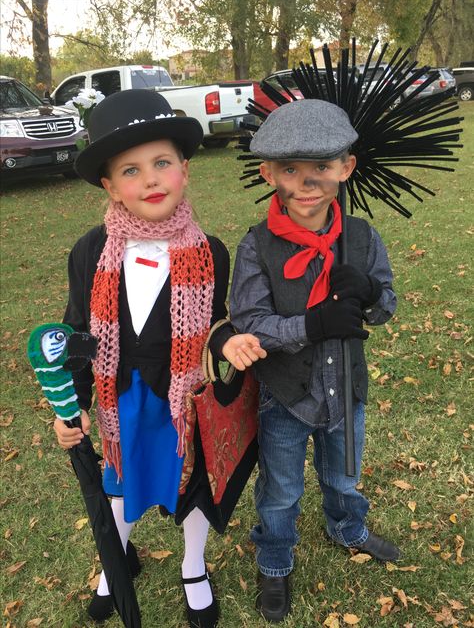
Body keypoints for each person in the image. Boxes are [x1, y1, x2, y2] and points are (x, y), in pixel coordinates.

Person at [53, 88, 266, 627]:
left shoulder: (209, 250)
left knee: (191, 486)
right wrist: (69, 404)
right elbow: (77, 329)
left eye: (162, 163)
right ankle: (115, 563)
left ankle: (194, 565)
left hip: (184, 397)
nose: (150, 179)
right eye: (131, 170)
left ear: (185, 171)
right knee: (121, 484)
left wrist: (227, 341)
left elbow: (215, 321)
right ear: (110, 186)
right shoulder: (88, 251)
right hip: (121, 397)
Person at [229, 99, 400, 623]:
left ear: (346, 168)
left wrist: (370, 291)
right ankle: (275, 562)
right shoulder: (257, 246)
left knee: (343, 475)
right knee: (280, 490)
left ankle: (347, 527)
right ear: (268, 172)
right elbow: (250, 323)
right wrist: (312, 324)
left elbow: (385, 307)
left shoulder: (363, 238)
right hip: (286, 396)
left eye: (322, 168)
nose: (307, 183)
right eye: (291, 170)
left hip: (345, 389)